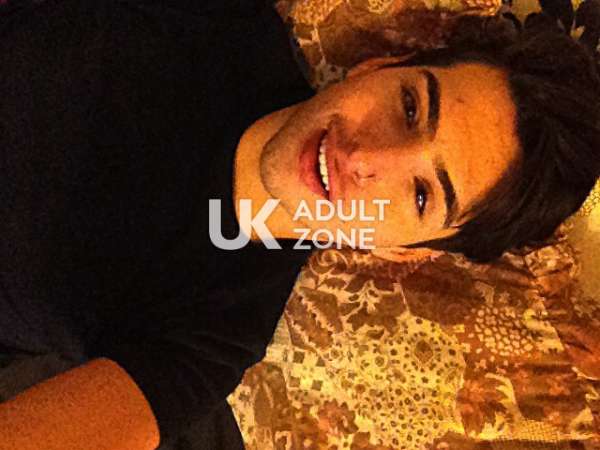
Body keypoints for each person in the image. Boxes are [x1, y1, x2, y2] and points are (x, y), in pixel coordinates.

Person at [0, 0, 598, 449]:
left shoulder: (216, 335)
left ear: (404, 251)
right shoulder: (219, 19)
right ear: (378, 66)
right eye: (411, 106)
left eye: (421, 195)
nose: (365, 158)